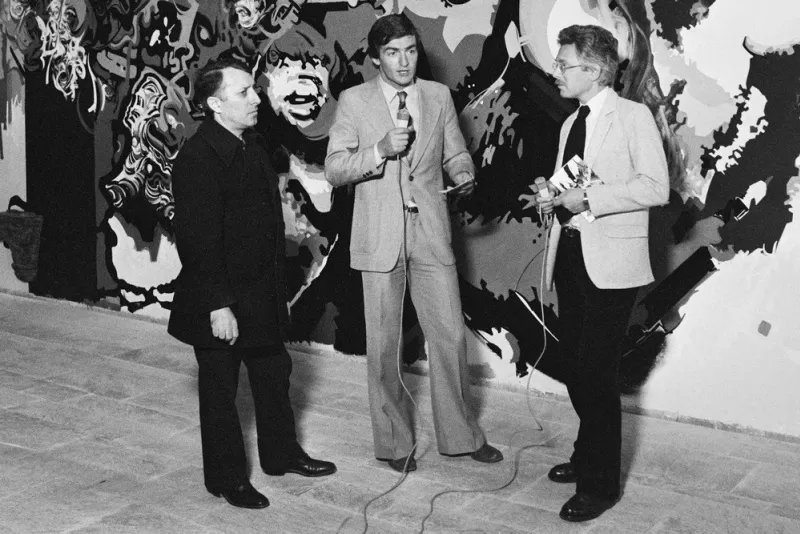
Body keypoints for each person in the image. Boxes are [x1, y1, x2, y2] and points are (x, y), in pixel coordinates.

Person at [324, 14, 502, 473]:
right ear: (376, 57)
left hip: (431, 236)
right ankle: (394, 442)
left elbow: (456, 151)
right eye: (392, 53)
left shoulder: (438, 95)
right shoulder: (354, 100)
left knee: (448, 338)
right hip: (379, 237)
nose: (403, 62)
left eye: (409, 50)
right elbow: (335, 169)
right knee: (383, 346)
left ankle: (461, 436)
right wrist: (379, 151)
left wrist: (463, 172)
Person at [168, 57, 336, 509]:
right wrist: (218, 305)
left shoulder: (253, 144)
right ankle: (226, 479)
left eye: (252, 90)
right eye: (244, 93)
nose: (257, 98)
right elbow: (197, 241)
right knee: (220, 390)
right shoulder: (198, 158)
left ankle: (281, 455)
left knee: (273, 372)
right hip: (219, 297)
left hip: (260, 291)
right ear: (214, 104)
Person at [530, 25, 669, 522]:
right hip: (569, 257)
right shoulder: (573, 123)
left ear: (592, 70)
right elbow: (573, 187)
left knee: (597, 373)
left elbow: (656, 186)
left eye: (564, 64)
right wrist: (552, 196)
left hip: (614, 265)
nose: (557, 71)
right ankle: (587, 452)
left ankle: (601, 485)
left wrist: (587, 198)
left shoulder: (633, 116)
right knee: (574, 367)